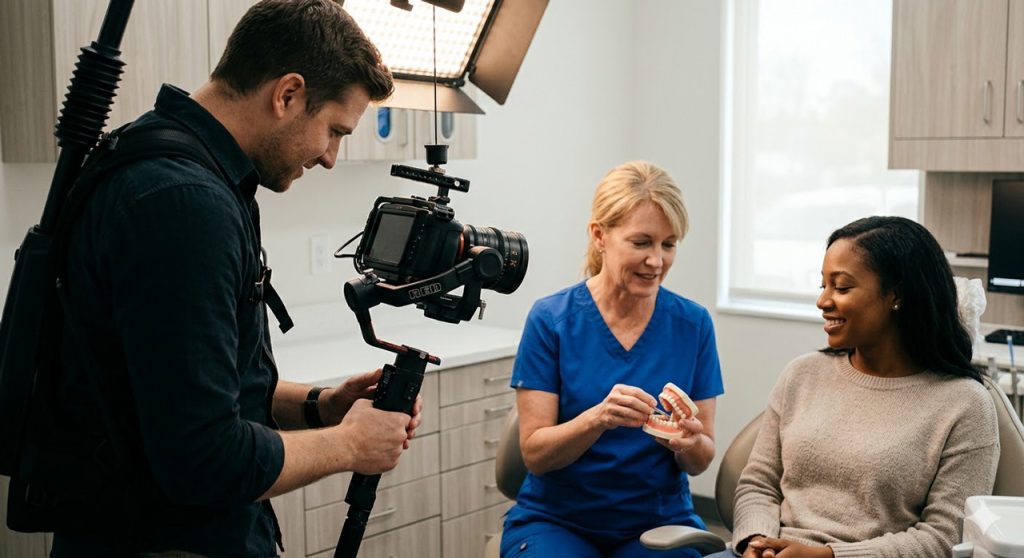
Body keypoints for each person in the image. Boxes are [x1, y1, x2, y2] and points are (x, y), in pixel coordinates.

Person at [44, 1, 422, 556]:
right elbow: (205, 458)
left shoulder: (169, 162)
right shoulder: (185, 205)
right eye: (334, 131)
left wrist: (319, 405)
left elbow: (185, 393)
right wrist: (347, 445)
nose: (330, 158)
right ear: (287, 94)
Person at [708, 216, 999, 558]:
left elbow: (945, 536)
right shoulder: (802, 375)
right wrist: (755, 541)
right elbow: (758, 484)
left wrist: (828, 556)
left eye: (842, 287)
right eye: (823, 286)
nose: (823, 301)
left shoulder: (965, 404)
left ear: (897, 295)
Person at [500, 161, 725, 558]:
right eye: (642, 243)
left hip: (659, 523)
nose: (657, 261)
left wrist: (686, 442)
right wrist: (597, 418)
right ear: (600, 236)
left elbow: (701, 458)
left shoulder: (693, 324)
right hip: (557, 520)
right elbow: (534, 453)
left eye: (668, 244)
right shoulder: (551, 319)